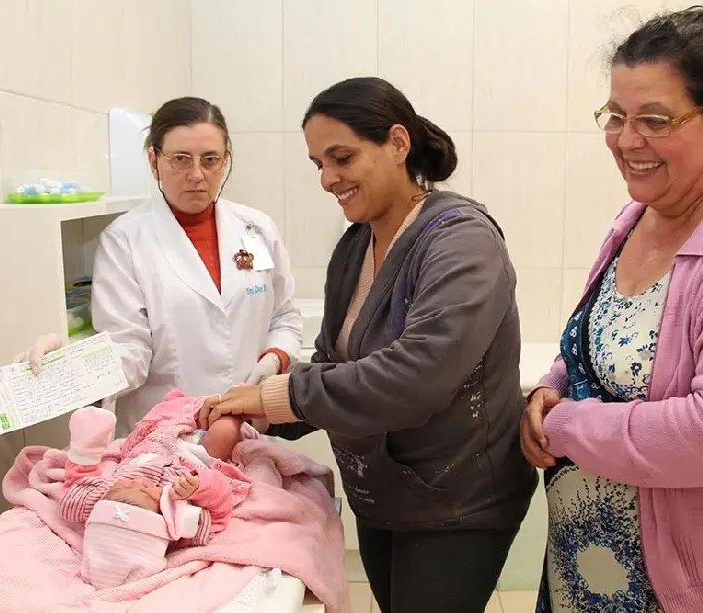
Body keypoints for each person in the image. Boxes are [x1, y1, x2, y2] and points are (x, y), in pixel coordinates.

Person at [518, 4, 703, 612]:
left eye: (654, 119)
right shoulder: (638, 217)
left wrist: (568, 426)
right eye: (616, 116)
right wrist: (553, 385)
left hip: (691, 587)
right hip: (585, 566)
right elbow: (599, 344)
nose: (628, 141)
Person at [203, 76, 537, 613]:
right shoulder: (356, 246)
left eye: (342, 158)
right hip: (382, 489)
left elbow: (417, 375)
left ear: (398, 143)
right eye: (318, 164)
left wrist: (276, 396)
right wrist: (260, 416)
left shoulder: (461, 240)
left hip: (456, 503)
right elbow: (335, 363)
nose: (327, 179)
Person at [15, 97, 302, 435]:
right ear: (154, 161)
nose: (197, 174)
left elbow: (285, 316)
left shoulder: (256, 228)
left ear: (225, 161)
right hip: (163, 438)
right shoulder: (125, 240)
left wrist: (276, 358)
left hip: (247, 427)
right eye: (181, 159)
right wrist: (66, 369)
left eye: (210, 159)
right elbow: (129, 348)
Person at [61, 393, 255, 589]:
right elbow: (221, 508)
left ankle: (199, 403)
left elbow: (77, 482)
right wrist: (200, 486)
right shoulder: (181, 523)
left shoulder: (97, 505)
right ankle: (238, 408)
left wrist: (86, 449)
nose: (138, 481)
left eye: (125, 486)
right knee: (226, 429)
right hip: (195, 458)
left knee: (165, 411)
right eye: (146, 491)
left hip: (149, 446)